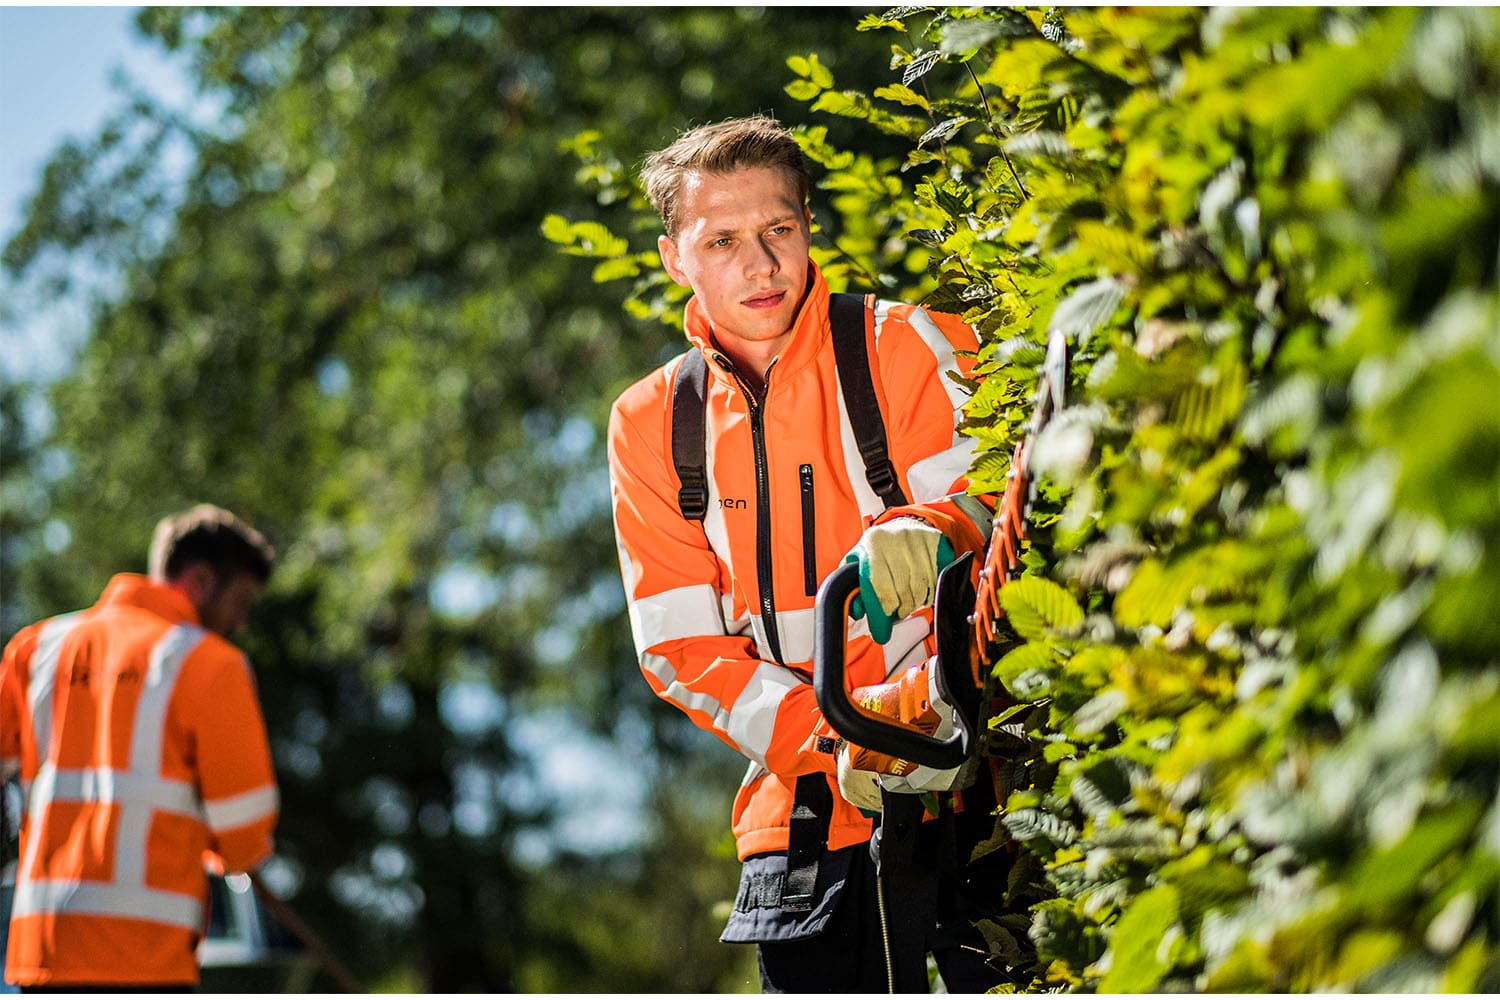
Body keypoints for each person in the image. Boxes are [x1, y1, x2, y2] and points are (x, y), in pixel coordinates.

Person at [608, 116, 1006, 992]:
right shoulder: (650, 421)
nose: (760, 265)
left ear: (807, 229)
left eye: (777, 230)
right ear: (677, 258)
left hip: (975, 786)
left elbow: (995, 502)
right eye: (723, 241)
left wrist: (938, 527)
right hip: (804, 817)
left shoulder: (904, 342)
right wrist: (835, 743)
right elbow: (678, 646)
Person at [0, 504, 281, 991]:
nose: (239, 622)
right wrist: (236, 851)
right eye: (240, 601)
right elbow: (241, 833)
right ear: (199, 581)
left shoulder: (36, 648)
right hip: (144, 961)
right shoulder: (211, 665)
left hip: (40, 959)